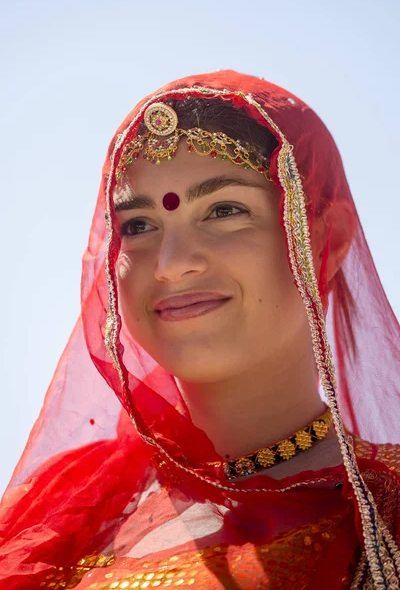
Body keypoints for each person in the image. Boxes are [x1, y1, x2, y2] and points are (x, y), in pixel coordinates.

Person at [0, 70, 399, 590]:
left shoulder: (382, 513)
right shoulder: (64, 505)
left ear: (328, 241)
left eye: (225, 210)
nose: (170, 264)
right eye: (138, 226)